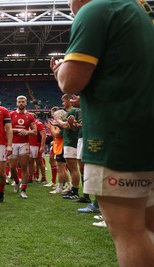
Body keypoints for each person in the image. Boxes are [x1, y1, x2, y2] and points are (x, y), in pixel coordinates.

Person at [51, 0, 154, 265]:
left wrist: (59, 68)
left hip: (119, 136)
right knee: (148, 228)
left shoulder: (97, 9)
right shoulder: (140, 10)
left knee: (129, 233)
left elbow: (70, 81)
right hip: (142, 129)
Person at [49, 94, 81, 200]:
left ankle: (74, 191)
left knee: (72, 168)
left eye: (64, 101)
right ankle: (73, 189)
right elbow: (70, 127)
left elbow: (65, 128)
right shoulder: (74, 111)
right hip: (71, 142)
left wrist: (56, 121)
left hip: (71, 142)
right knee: (72, 168)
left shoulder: (72, 111)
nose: (63, 104)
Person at [9, 95, 37, 199]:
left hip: (24, 143)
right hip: (13, 143)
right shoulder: (11, 114)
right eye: (19, 102)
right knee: (12, 167)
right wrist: (17, 130)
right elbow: (6, 129)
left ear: (26, 103)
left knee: (24, 166)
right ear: (16, 103)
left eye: (23, 102)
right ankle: (17, 181)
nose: (21, 103)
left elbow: (34, 132)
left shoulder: (30, 116)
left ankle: (24, 190)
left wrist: (27, 132)